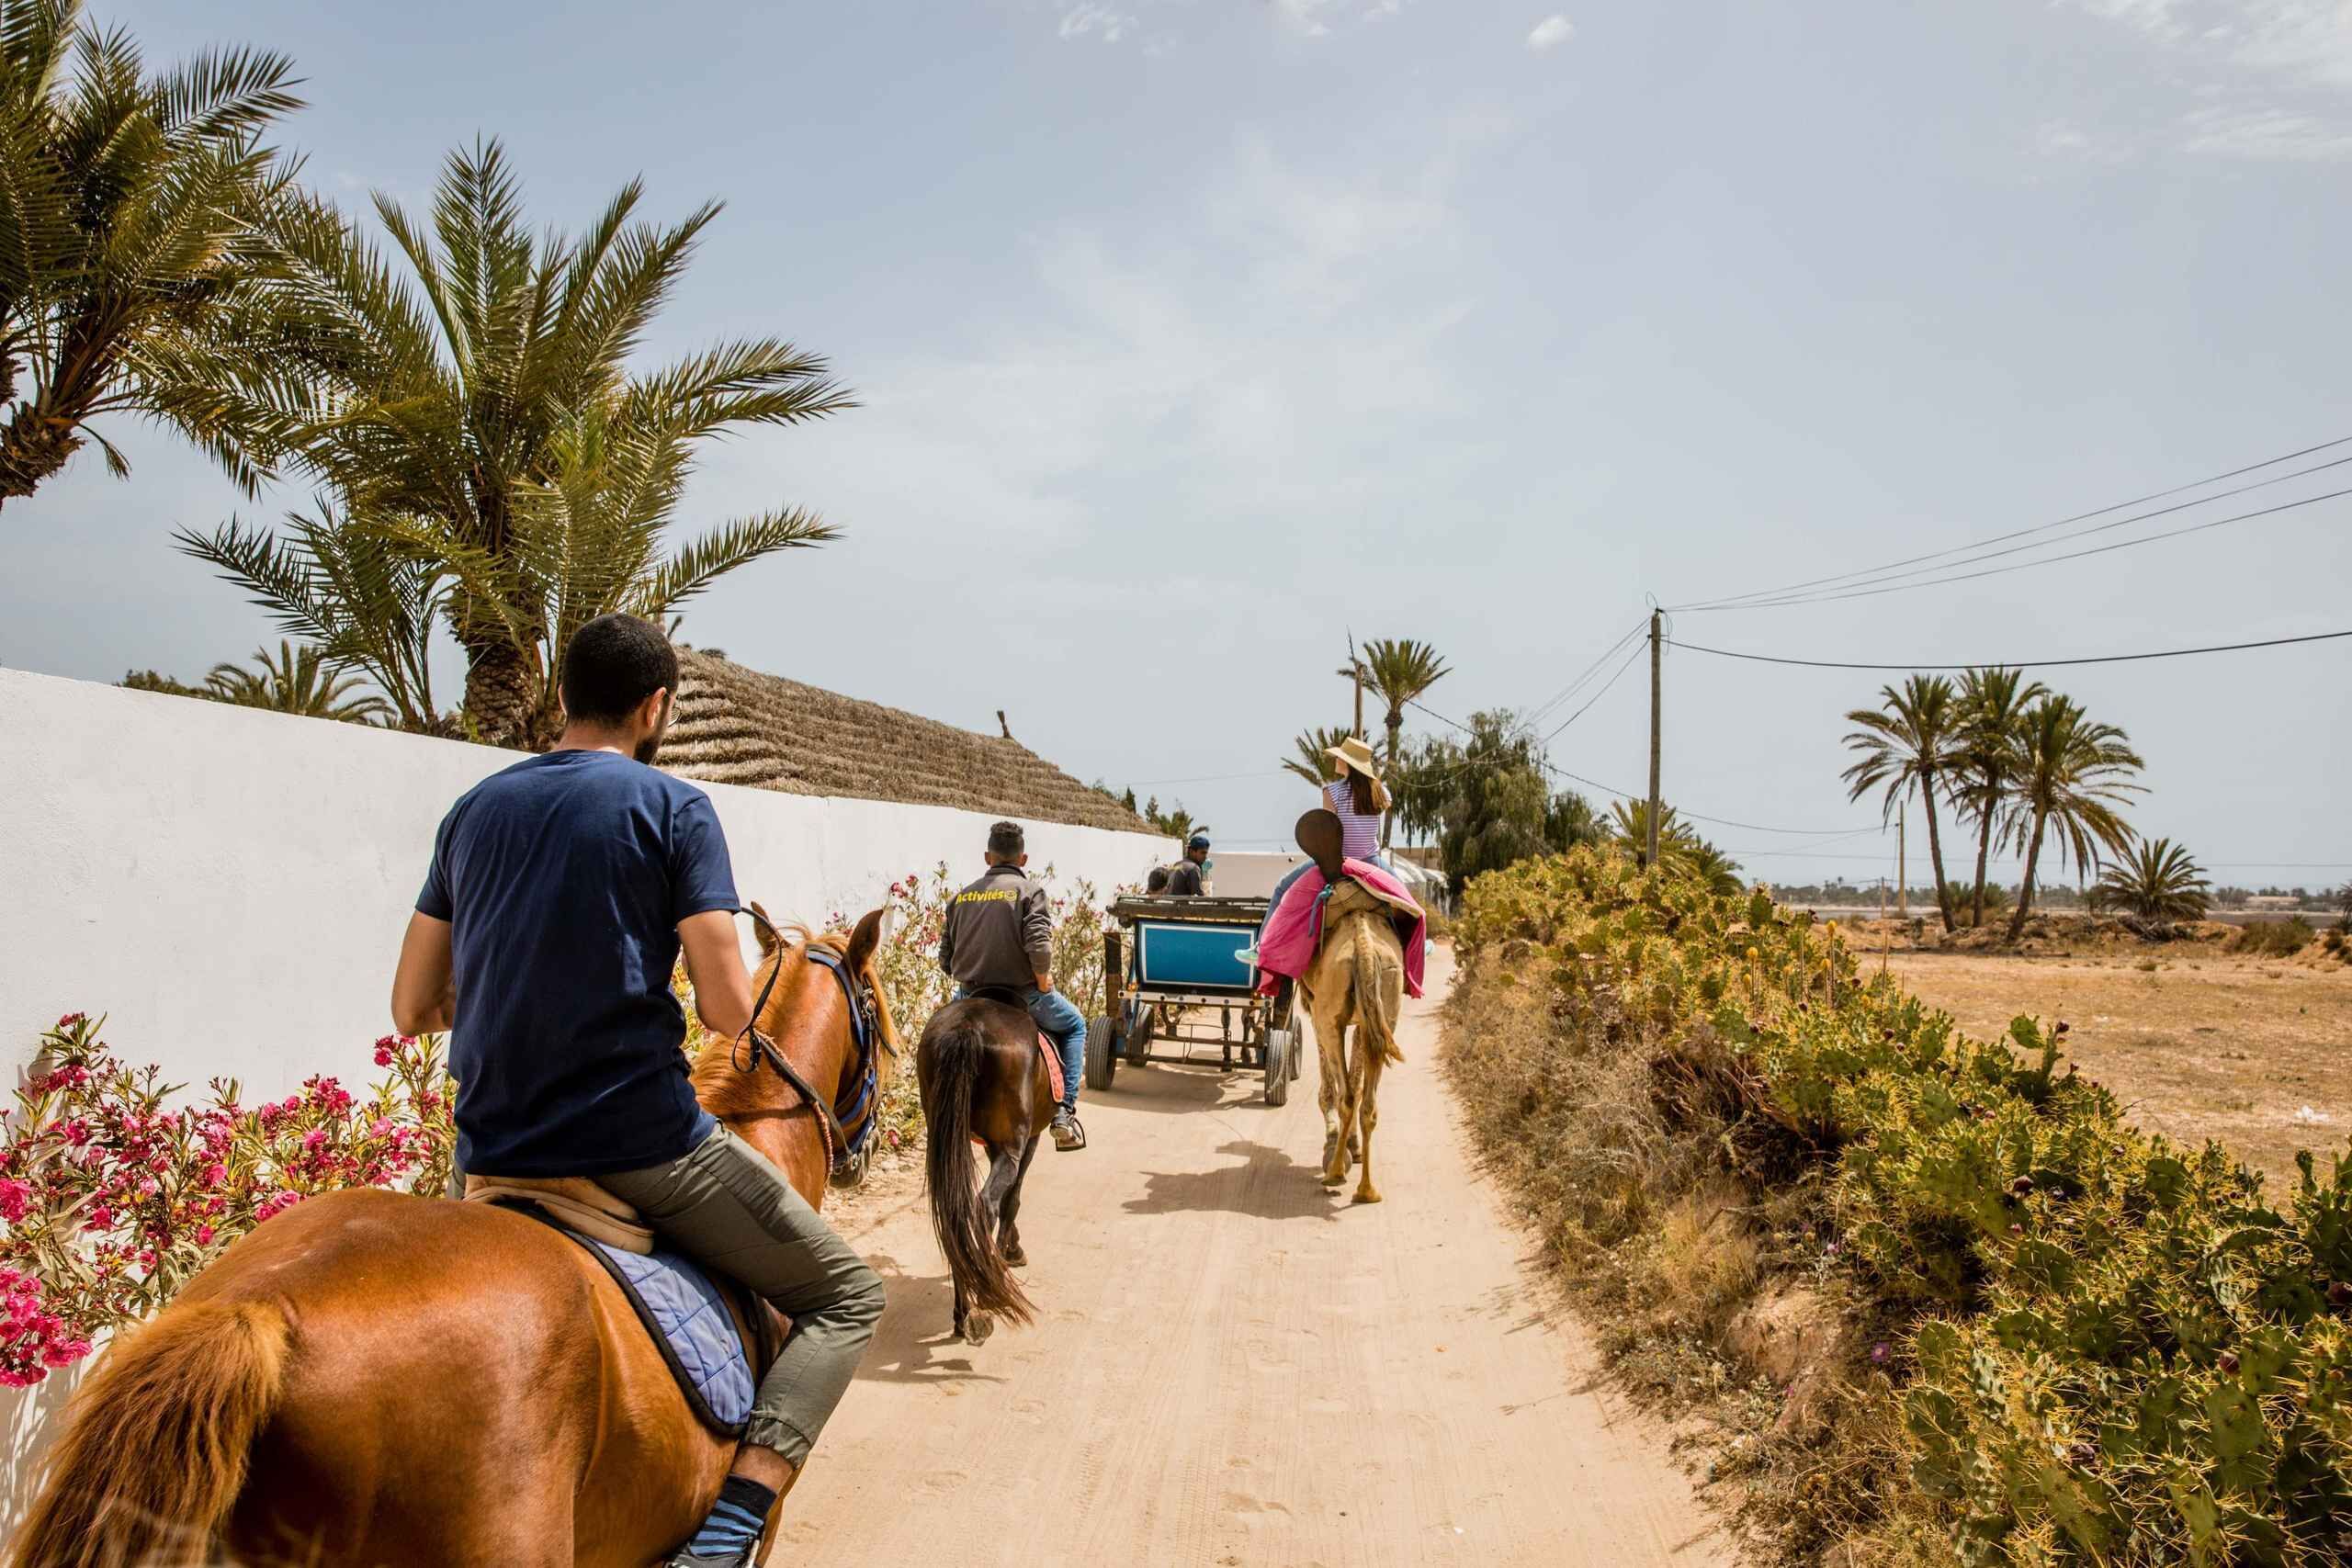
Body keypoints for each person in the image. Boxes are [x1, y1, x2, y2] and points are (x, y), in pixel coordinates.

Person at [390, 613, 884, 1568]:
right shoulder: (673, 809)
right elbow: (731, 1011)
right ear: (655, 707)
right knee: (847, 1296)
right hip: (643, 1146)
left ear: (561, 694)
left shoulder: (473, 811)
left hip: (490, 1151)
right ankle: (734, 1523)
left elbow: (413, 1006)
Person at [939, 820, 1089, 1151]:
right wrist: (1042, 981)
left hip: (969, 994)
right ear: (1022, 859)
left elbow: (946, 961)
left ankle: (937, 1110)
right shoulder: (1030, 892)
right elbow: (1040, 946)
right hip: (1023, 996)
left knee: (939, 1038)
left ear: (987, 857)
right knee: (1076, 1025)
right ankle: (1064, 1113)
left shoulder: (961, 897)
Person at [1247, 735, 1393, 966]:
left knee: (1282, 887)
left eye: (1339, 757)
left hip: (1339, 863)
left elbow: (1329, 835)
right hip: (1371, 863)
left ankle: (1261, 947)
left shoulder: (1331, 792)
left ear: (1348, 763)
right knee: (1406, 901)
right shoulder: (1382, 793)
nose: (1335, 759)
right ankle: (1420, 942)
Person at [1162, 831, 1212, 896]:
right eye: (1202, 853)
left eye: (1206, 853)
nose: (1205, 857)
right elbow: (1198, 896)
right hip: (1181, 905)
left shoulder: (1177, 864)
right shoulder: (1193, 868)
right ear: (1192, 851)